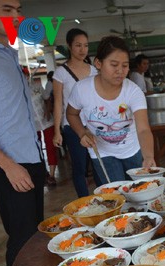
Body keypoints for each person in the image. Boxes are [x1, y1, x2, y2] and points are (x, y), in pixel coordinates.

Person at [0, 0, 45, 266]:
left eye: (18, 10)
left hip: (28, 156)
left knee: (35, 236)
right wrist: (8, 166)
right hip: (6, 163)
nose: (17, 16)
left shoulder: (8, 53)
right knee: (23, 240)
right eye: (6, 10)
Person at [66, 36, 156, 183]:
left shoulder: (133, 91)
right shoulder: (82, 89)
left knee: (140, 192)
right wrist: (82, 133)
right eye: (114, 65)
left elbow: (143, 129)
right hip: (102, 153)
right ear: (98, 63)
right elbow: (71, 114)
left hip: (132, 150)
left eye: (125, 65)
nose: (120, 71)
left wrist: (148, 156)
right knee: (118, 195)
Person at [52, 28, 99, 197]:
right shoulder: (60, 73)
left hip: (94, 124)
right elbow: (58, 103)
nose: (82, 50)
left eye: (85, 45)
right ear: (69, 46)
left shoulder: (94, 71)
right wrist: (57, 131)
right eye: (78, 45)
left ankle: (106, 200)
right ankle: (85, 203)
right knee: (79, 167)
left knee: (98, 164)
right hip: (71, 127)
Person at [26, 69, 58, 186]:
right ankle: (43, 172)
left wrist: (48, 110)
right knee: (37, 149)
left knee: (51, 147)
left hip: (47, 121)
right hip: (33, 125)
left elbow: (47, 98)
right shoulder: (18, 91)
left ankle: (52, 175)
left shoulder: (37, 86)